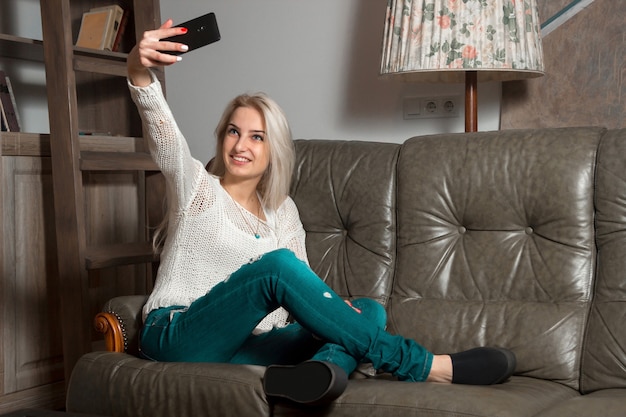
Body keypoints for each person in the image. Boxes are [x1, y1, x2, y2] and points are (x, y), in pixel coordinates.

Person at [126, 19, 517, 406]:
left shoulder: (282, 213)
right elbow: (162, 132)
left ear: (274, 149)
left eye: (256, 136)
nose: (241, 144)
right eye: (233, 131)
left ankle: (313, 377)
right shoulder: (196, 187)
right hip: (179, 335)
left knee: (367, 310)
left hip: (247, 349)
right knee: (276, 266)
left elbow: (303, 292)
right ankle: (423, 364)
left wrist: (335, 315)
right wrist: (138, 69)